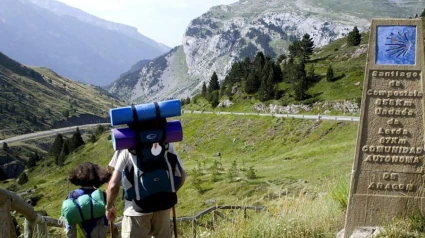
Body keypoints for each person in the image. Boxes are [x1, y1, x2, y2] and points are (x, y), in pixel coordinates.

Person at [105, 143, 185, 238]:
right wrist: (170, 193)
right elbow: (182, 176)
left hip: (136, 210)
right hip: (163, 207)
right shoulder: (165, 143)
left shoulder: (126, 145)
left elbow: (113, 186)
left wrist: (109, 207)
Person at [64, 162, 112, 238]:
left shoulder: (72, 195)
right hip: (98, 233)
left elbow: (67, 217)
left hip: (80, 233)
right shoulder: (102, 195)